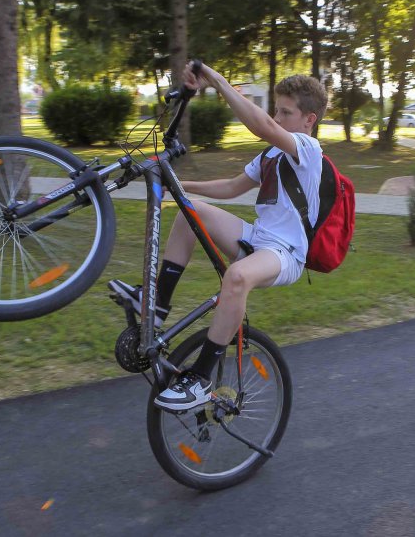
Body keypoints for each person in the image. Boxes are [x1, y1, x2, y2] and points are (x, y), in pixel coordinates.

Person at [109, 62, 328, 412]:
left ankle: (200, 378)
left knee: (236, 277)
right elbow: (230, 187)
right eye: (277, 109)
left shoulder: (307, 150)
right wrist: (178, 188)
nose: (277, 116)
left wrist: (219, 82)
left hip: (287, 254)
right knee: (189, 210)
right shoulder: (271, 154)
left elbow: (262, 125)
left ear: (308, 120)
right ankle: (158, 305)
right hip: (259, 239)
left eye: (286, 112)